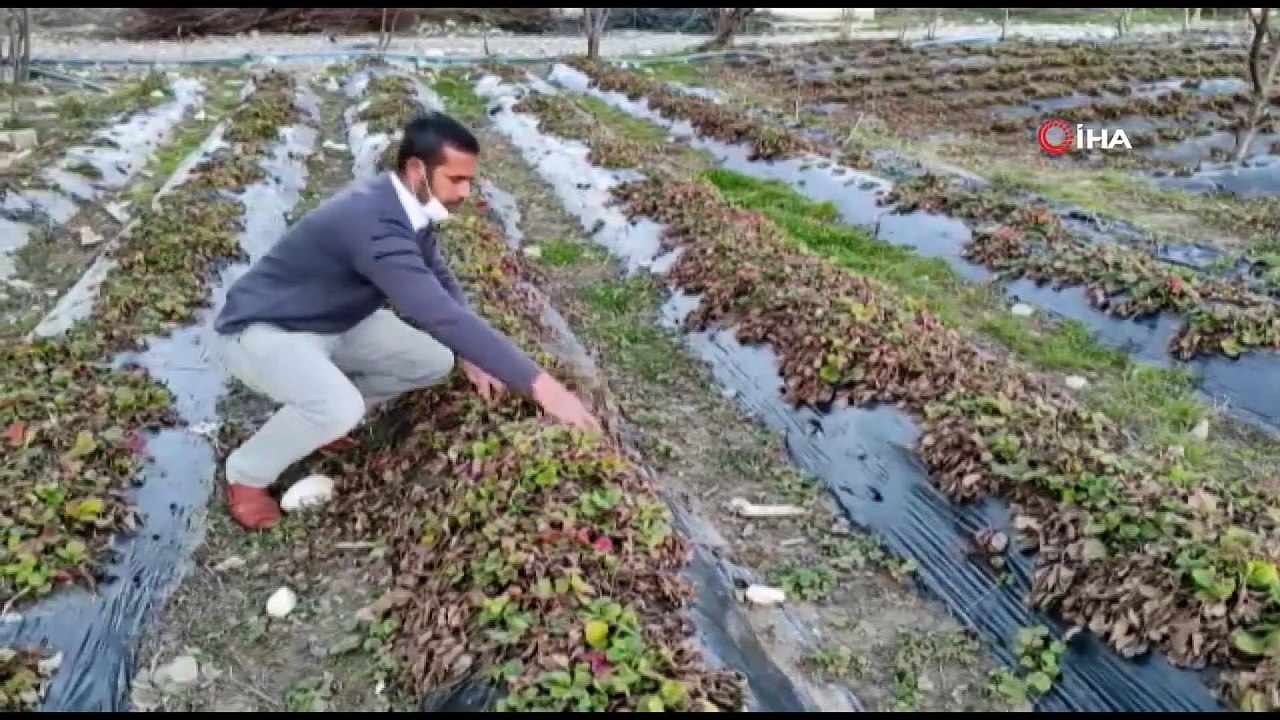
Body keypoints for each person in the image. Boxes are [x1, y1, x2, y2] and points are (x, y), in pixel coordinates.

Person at [212, 112, 601, 531]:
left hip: (334, 320)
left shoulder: (402, 204)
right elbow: (435, 311)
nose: (465, 192)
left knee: (431, 361)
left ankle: (323, 420)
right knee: (337, 406)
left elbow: (440, 279)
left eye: (469, 180)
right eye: (456, 179)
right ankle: (246, 475)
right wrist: (543, 387)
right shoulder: (373, 225)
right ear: (418, 169)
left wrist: (472, 355)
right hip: (264, 329)